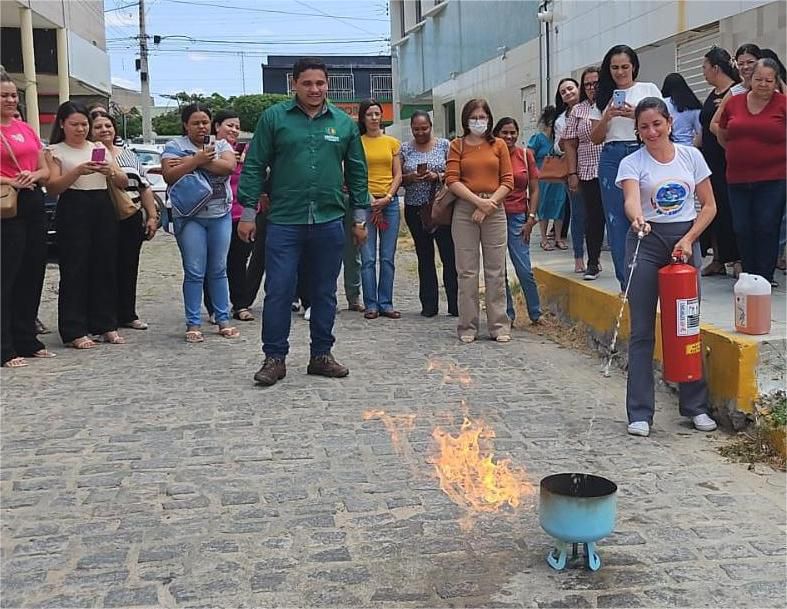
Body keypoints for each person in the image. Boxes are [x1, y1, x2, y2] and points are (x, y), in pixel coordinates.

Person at [237, 57, 369, 386]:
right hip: (284, 219)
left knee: (324, 292)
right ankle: (274, 358)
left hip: (328, 219)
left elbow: (357, 172)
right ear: (294, 84)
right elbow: (254, 166)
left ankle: (321, 355)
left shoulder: (343, 123)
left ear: (328, 85)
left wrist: (360, 218)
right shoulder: (274, 119)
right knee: (279, 289)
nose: (314, 89)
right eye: (307, 83)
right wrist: (249, 214)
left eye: (320, 83)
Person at [616, 97, 718, 437]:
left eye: (657, 124)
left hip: (685, 240)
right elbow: (631, 199)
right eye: (644, 127)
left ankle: (695, 406)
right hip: (646, 240)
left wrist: (689, 239)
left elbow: (709, 206)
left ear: (669, 123)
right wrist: (637, 218)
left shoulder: (692, 156)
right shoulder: (633, 162)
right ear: (638, 130)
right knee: (643, 329)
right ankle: (640, 412)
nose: (651, 131)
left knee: (685, 326)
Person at [44, 101, 128, 349]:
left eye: (84, 124)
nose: (80, 129)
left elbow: (122, 180)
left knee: (105, 266)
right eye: (74, 124)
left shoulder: (98, 147)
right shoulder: (55, 150)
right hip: (73, 205)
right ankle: (73, 328)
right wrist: (78, 171)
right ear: (62, 124)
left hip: (101, 204)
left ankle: (105, 324)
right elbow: (53, 188)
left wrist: (109, 171)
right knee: (75, 268)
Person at [161, 103, 239, 342]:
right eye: (195, 122)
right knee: (194, 271)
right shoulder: (174, 146)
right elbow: (169, 174)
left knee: (219, 269)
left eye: (205, 122)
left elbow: (228, 167)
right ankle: (193, 322)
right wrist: (197, 159)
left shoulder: (222, 144)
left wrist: (193, 162)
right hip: (190, 216)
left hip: (220, 214)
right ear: (186, 124)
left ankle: (222, 318)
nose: (201, 127)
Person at [590, 44, 662, 290]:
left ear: (633, 67)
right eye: (614, 68)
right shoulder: (602, 97)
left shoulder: (648, 89)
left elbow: (661, 123)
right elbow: (595, 137)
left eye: (624, 67)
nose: (620, 72)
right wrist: (607, 116)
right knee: (617, 220)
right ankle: (626, 282)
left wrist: (636, 115)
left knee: (649, 212)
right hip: (612, 154)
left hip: (641, 151)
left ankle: (650, 275)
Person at [446, 98, 513, 343]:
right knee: (467, 271)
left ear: (489, 119)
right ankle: (467, 325)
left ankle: (498, 325)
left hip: (494, 209)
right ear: (466, 120)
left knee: (496, 271)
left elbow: (508, 181)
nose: (478, 121)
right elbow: (452, 180)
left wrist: (488, 205)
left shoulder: (499, 146)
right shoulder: (457, 145)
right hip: (465, 210)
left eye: (482, 117)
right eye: (474, 117)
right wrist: (477, 202)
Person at [718, 58, 786, 286]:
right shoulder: (734, 102)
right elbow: (722, 131)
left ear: (776, 81)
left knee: (767, 225)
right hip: (737, 177)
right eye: (759, 79)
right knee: (742, 227)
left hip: (773, 177)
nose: (764, 84)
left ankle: (764, 277)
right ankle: (749, 274)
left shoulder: (783, 103)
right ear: (749, 79)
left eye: (769, 80)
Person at [0, 71, 52, 367]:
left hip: (33, 198)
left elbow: (44, 167)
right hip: (7, 203)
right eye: (4, 95)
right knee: (8, 275)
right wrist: (10, 180)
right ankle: (5, 346)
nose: (10, 100)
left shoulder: (25, 128)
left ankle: (26, 337)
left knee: (33, 270)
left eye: (12, 95)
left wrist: (35, 175)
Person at [90, 111, 159, 330]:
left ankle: (127, 313)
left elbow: (144, 186)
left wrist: (152, 216)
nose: (104, 130)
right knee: (105, 267)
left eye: (108, 126)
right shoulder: (92, 153)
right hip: (103, 216)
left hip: (131, 214)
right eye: (99, 126)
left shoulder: (128, 154)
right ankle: (105, 317)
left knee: (129, 265)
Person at [400, 110, 458, 318]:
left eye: (424, 128)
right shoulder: (405, 149)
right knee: (424, 256)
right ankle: (429, 304)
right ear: (411, 129)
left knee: (448, 255)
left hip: (441, 207)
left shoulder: (444, 145)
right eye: (416, 129)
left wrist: (438, 175)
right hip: (415, 208)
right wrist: (411, 177)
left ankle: (455, 303)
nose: (420, 132)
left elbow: (454, 172)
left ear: (431, 126)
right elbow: (398, 178)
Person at [202, 109, 256, 323]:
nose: (234, 130)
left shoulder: (245, 150)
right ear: (216, 127)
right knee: (214, 263)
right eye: (229, 125)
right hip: (214, 213)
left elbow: (255, 177)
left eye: (236, 126)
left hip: (241, 214)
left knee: (239, 261)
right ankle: (214, 308)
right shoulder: (207, 150)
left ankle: (240, 305)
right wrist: (222, 161)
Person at [492, 117, 541, 324]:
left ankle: (536, 313)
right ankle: (508, 314)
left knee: (524, 268)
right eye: (505, 132)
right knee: (498, 269)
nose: (510, 136)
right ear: (496, 134)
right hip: (494, 216)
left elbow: (535, 188)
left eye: (513, 132)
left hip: (518, 218)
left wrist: (531, 217)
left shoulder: (525, 154)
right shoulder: (492, 156)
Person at [698, 47, 741, 278]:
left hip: (726, 158)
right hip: (709, 160)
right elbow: (704, 128)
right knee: (712, 208)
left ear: (716, 68)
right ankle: (717, 258)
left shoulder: (735, 92)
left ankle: (736, 258)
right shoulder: (713, 94)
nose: (703, 73)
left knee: (729, 208)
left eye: (705, 68)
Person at [358, 99, 402, 319]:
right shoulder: (357, 142)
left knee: (387, 257)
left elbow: (398, 174)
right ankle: (371, 304)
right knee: (367, 258)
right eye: (369, 114)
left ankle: (386, 302)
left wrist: (388, 196)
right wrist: (368, 198)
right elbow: (353, 174)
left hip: (389, 203)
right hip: (365, 204)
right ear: (363, 118)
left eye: (377, 114)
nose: (374, 118)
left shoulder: (392, 142)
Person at [563, 66, 606, 281]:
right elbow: (569, 144)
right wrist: (572, 172)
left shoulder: (610, 103)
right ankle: (593, 262)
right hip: (587, 170)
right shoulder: (578, 111)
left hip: (612, 167)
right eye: (587, 84)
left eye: (595, 83)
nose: (591, 88)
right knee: (592, 217)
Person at [555, 77, 585, 272]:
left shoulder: (592, 109)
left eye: (570, 88)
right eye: (563, 92)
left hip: (595, 168)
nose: (568, 93)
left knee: (596, 215)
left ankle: (594, 257)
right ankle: (579, 257)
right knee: (578, 214)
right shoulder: (560, 120)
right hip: (572, 171)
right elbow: (558, 147)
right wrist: (568, 133)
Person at [527, 106, 566, 251]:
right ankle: (543, 238)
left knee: (559, 206)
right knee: (543, 207)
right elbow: (529, 155)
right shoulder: (538, 138)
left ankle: (558, 238)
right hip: (542, 178)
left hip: (559, 177)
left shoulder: (559, 140)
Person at [661, 73, 702, 146]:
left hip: (668, 147)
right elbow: (700, 131)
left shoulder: (662, 103)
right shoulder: (693, 104)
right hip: (688, 146)